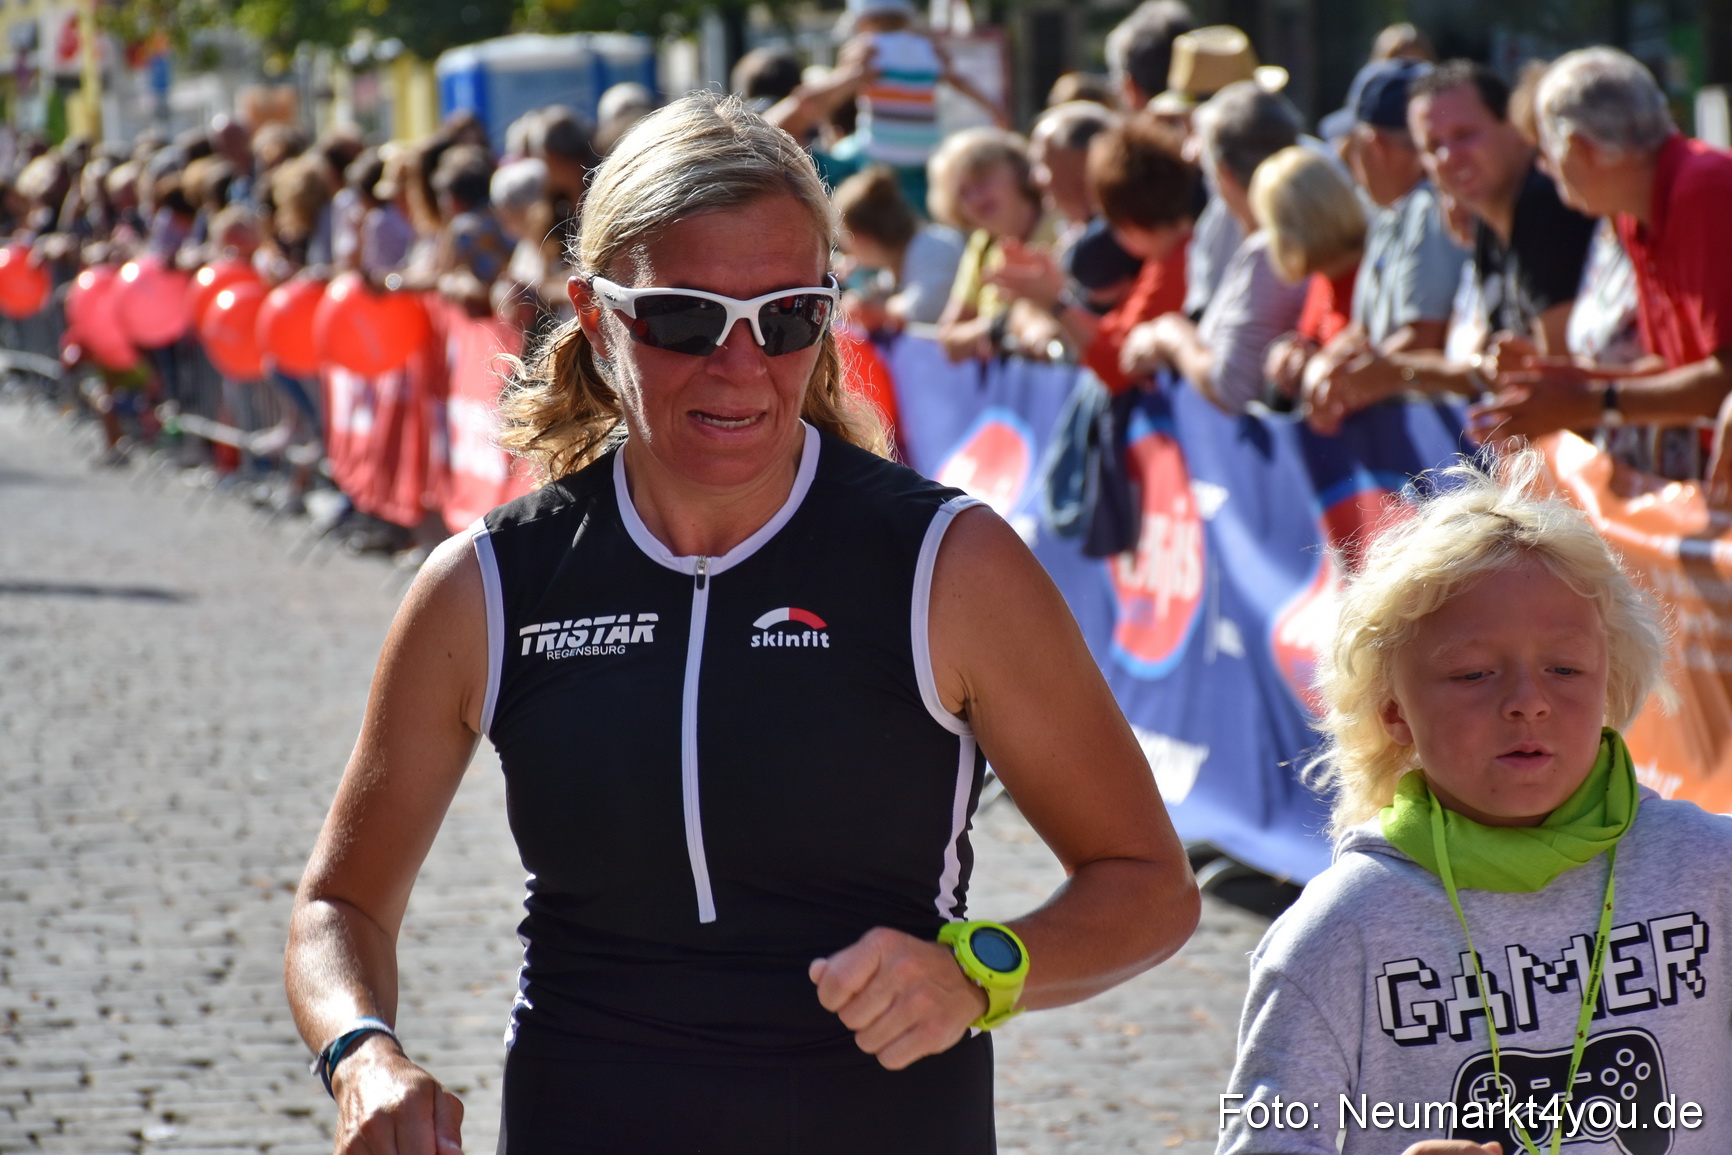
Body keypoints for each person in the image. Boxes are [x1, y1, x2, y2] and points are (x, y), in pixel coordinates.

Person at [285, 92, 1199, 1154]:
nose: (740, 366)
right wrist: (363, 1051)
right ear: (595, 314)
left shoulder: (947, 564)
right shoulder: (488, 584)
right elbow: (338, 906)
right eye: (683, 318)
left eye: (787, 317)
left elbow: (1147, 886)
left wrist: (976, 972)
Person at [1216, 449, 1732, 1154]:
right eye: (1473, 672)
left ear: (1612, 682)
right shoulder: (1341, 931)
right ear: (1395, 710)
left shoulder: (1713, 871)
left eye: (1565, 667)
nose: (1527, 702)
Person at [1466, 48, 1732, 493]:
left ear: (1578, 149)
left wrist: (1594, 400)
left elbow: (1724, 377)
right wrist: (1566, 382)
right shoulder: (1634, 209)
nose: (1544, 170)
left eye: (1545, 152)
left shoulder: (1704, 191)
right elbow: (1672, 366)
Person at [1293, 58, 1469, 434]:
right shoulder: (1392, 212)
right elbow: (1365, 330)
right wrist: (1326, 360)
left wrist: (1341, 382)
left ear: (1374, 145)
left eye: (1352, 148)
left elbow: (1423, 337)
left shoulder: (1427, 209)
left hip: (1437, 445)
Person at [1120, 80, 1306, 412]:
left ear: (1223, 172)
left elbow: (1231, 389)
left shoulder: (1269, 249)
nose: (1189, 152)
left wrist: (1172, 337)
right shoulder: (1250, 232)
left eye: (1194, 135)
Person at [832, 164, 964, 329]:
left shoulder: (934, 246)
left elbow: (924, 311)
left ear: (863, 239)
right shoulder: (896, 262)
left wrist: (877, 311)